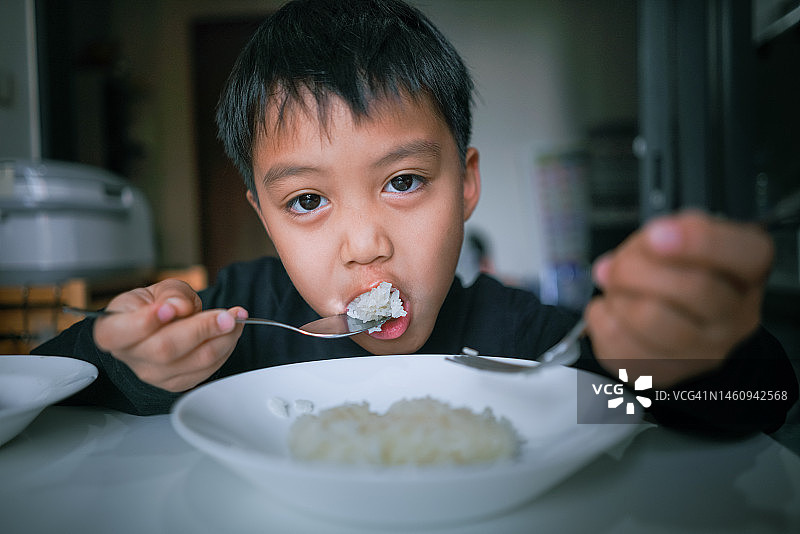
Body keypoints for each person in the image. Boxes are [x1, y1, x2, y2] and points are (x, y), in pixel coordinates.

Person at [34, 0, 796, 434]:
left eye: (403, 181)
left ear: (465, 186)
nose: (365, 245)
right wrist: (129, 362)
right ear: (264, 218)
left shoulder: (526, 345)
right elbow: (55, 391)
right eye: (307, 201)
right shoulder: (236, 330)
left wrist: (666, 367)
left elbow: (760, 401)